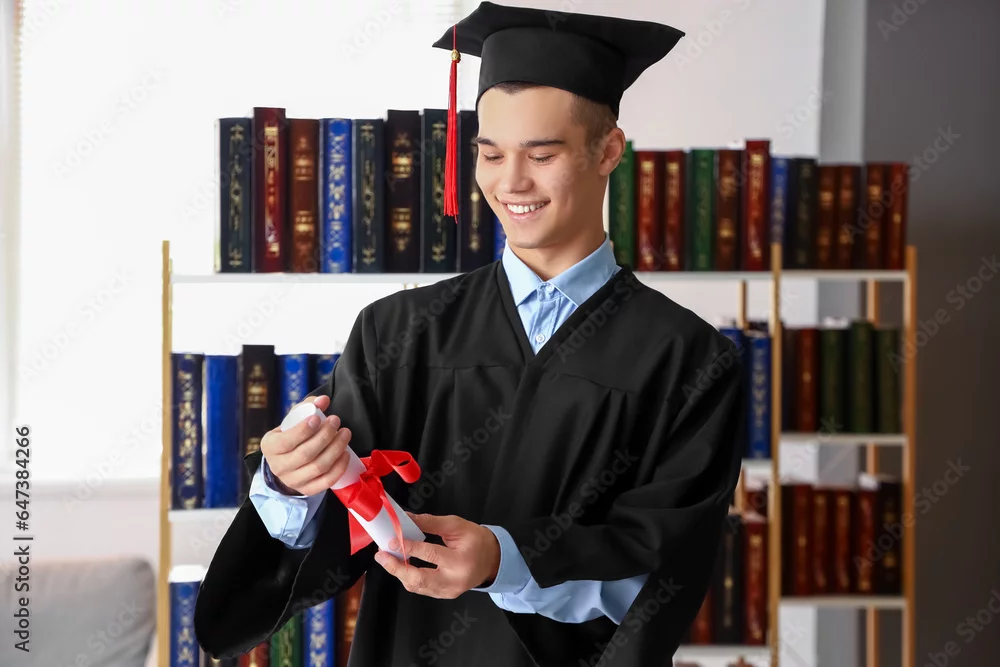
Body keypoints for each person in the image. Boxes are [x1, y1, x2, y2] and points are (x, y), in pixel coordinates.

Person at [194, 2, 745, 666]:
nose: (511, 182)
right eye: (490, 153)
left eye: (542, 154)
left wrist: (504, 559)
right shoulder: (399, 333)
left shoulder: (689, 360)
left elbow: (662, 569)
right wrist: (290, 481)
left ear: (608, 151)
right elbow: (336, 534)